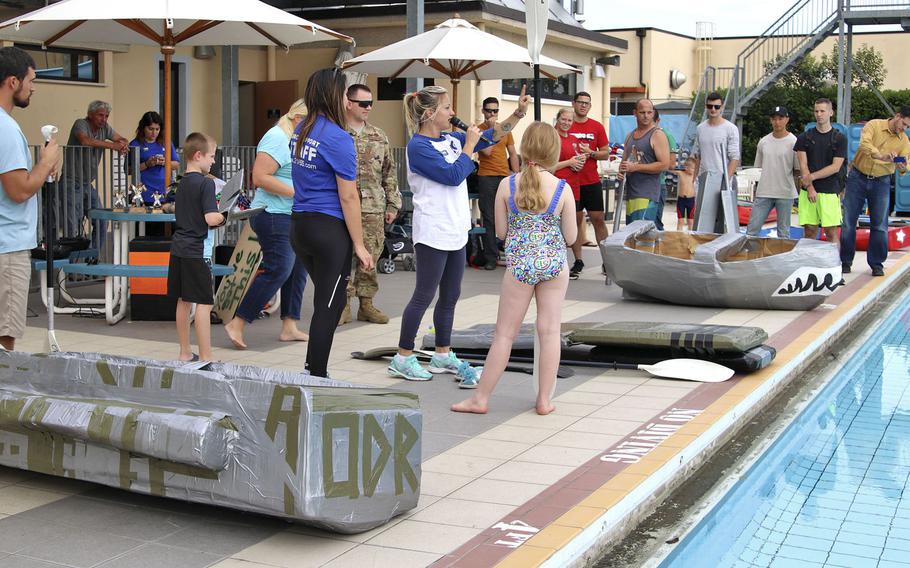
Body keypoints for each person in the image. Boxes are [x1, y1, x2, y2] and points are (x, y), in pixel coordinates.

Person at [388, 84, 530, 386]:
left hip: (456, 228)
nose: (454, 113)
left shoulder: (450, 138)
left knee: (451, 295)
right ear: (430, 113)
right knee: (424, 294)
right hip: (433, 230)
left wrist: (517, 114)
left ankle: (442, 352)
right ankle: (402, 357)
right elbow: (453, 176)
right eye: (447, 108)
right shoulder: (418, 147)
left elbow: (495, 134)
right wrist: (468, 146)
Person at [452, 122, 576, 415]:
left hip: (520, 266)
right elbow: (571, 238)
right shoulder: (562, 188)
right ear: (553, 150)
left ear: (523, 148)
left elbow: (501, 233)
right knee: (549, 332)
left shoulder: (507, 185)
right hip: (554, 264)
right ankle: (544, 400)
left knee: (505, 335)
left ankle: (480, 398)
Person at [289, 68, 373, 378]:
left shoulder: (301, 131)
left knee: (330, 299)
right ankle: (315, 375)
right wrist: (360, 245)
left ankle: (314, 370)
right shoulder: (337, 138)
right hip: (328, 230)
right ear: (333, 96)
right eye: (343, 92)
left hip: (300, 226)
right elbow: (349, 197)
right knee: (330, 303)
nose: (346, 98)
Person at [223, 99, 310, 349]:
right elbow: (259, 177)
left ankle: (289, 325)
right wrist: (296, 193)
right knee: (280, 269)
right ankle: (238, 321)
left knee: (297, 270)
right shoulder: (277, 137)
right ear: (297, 119)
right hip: (273, 214)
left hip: (294, 214)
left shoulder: (299, 140)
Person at [0, 46, 59, 351]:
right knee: (4, 339)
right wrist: (46, 162)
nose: (33, 87)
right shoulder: (6, 129)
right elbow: (19, 189)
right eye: (31, 80)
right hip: (8, 247)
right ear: (13, 82)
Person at [339, 83, 401, 325]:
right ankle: (342, 305)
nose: (368, 108)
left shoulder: (379, 135)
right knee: (342, 257)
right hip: (341, 207)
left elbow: (389, 173)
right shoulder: (338, 133)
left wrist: (392, 205)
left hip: (373, 207)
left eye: (371, 103)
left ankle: (366, 305)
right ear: (349, 103)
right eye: (363, 103)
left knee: (370, 258)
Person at [168, 132, 226, 362]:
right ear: (198, 155)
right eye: (211, 156)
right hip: (197, 250)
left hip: (179, 248)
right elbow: (211, 218)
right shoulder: (206, 184)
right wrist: (224, 216)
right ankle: (206, 357)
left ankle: (184, 352)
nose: (213, 161)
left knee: (183, 301)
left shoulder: (181, 184)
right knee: (204, 303)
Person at [841, 105, 910, 277]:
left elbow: (905, 164)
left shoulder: (904, 141)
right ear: (898, 116)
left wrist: (902, 166)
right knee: (849, 222)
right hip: (858, 176)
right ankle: (845, 261)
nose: (904, 128)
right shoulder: (874, 125)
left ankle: (877, 263)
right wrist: (881, 156)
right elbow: (864, 144)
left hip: (882, 181)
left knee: (880, 225)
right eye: (904, 124)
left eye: (907, 127)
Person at [65, 100, 129, 248]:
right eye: (101, 115)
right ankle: (71, 266)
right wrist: (113, 146)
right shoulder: (80, 123)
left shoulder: (104, 128)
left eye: (106, 116)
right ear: (90, 114)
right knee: (72, 224)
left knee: (101, 220)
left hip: (87, 183)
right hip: (71, 181)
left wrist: (123, 144)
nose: (104, 119)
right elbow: (85, 141)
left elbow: (121, 139)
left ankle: (92, 258)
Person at [567, 91, 610, 277]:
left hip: (591, 181)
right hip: (571, 182)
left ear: (590, 106)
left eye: (587, 103)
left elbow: (606, 153)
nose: (583, 105)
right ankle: (578, 261)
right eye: (580, 102)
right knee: (575, 221)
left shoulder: (597, 126)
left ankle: (607, 261)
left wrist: (591, 152)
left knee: (598, 219)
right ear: (574, 103)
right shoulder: (566, 124)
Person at [795, 99, 847, 245]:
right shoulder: (804, 137)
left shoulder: (839, 138)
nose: (819, 114)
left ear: (831, 113)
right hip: (808, 191)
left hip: (830, 190)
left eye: (822, 111)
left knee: (831, 232)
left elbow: (835, 167)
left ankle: (834, 265)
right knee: (810, 231)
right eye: (816, 111)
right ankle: (808, 265)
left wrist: (811, 177)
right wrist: (810, 186)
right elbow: (803, 165)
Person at [475, 96, 518, 270]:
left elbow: (513, 153)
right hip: (486, 176)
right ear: (483, 111)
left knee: (512, 215)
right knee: (489, 217)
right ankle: (491, 257)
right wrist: (492, 129)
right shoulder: (478, 130)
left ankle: (512, 254)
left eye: (495, 110)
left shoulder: (505, 129)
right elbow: (487, 151)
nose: (492, 113)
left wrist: (516, 174)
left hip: (505, 176)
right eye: (489, 110)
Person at [747, 106, 798, 237]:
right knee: (752, 229)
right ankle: (750, 255)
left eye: (780, 118)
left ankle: (782, 257)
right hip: (764, 191)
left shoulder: (794, 142)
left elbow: (797, 170)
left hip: (785, 192)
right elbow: (758, 167)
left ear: (787, 120)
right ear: (770, 120)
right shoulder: (764, 142)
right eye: (774, 119)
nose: (777, 122)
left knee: (784, 232)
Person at [618, 99, 671, 224]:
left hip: (647, 194)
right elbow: (624, 163)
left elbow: (664, 165)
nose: (646, 116)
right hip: (631, 194)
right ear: (635, 113)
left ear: (653, 113)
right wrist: (621, 172)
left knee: (642, 237)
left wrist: (635, 168)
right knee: (632, 237)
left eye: (649, 112)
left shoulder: (657, 135)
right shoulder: (630, 136)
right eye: (642, 112)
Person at [553, 108, 585, 279]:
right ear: (557, 119)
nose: (566, 123)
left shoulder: (573, 139)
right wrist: (569, 162)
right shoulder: (552, 138)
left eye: (569, 120)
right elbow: (548, 165)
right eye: (563, 119)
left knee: (574, 225)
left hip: (574, 187)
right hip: (556, 188)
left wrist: (579, 162)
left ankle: (578, 260)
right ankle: (560, 263)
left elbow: (576, 161)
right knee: (558, 227)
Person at [129, 111, 180, 205]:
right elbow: (128, 170)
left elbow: (176, 165)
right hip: (144, 191)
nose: (154, 133)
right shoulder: (135, 144)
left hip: (165, 190)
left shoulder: (166, 142)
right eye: (150, 129)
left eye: (157, 129)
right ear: (143, 128)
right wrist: (147, 164)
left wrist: (165, 162)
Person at [695, 92, 739, 190]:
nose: (713, 109)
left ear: (722, 107)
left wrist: (726, 181)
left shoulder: (731, 128)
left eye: (717, 106)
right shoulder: (700, 128)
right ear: (706, 107)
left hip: (723, 181)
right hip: (703, 180)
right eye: (710, 106)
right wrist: (694, 180)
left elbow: (734, 158)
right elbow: (698, 156)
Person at [653, 109, 678, 230]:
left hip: (658, 184)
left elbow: (672, 164)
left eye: (652, 120)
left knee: (655, 223)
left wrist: (650, 167)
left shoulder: (666, 136)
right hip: (640, 186)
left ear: (657, 121)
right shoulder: (638, 134)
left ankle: (658, 247)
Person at [676, 157, 697, 231]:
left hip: (691, 200)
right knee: (680, 221)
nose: (694, 170)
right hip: (681, 200)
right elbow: (670, 169)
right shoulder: (681, 173)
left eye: (695, 169)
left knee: (690, 221)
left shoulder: (695, 176)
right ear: (686, 167)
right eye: (693, 168)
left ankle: (690, 236)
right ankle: (678, 236)